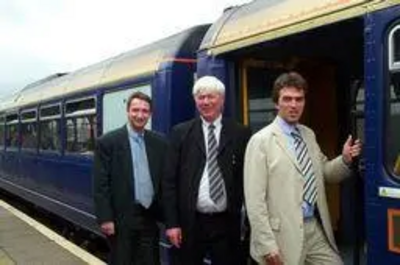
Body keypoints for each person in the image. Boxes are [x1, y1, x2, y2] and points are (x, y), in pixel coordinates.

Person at [244, 72, 362, 265]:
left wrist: (345, 159)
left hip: (313, 227)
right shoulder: (261, 141)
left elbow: (324, 173)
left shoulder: (308, 134)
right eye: (287, 99)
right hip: (282, 234)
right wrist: (267, 245)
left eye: (299, 99)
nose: (294, 105)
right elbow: (255, 202)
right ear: (276, 103)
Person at [162, 76, 251, 265]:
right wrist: (172, 224)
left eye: (211, 97)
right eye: (201, 97)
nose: (206, 102)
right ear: (195, 101)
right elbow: (168, 181)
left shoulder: (240, 133)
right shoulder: (180, 133)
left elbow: (248, 179)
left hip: (227, 223)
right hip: (190, 223)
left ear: (222, 100)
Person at [93, 91, 167, 265]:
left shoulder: (160, 143)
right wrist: (105, 218)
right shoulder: (108, 143)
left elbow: (165, 182)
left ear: (150, 114)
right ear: (127, 111)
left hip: (149, 217)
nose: (140, 115)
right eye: (135, 110)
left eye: (144, 111)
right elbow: (100, 184)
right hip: (121, 220)